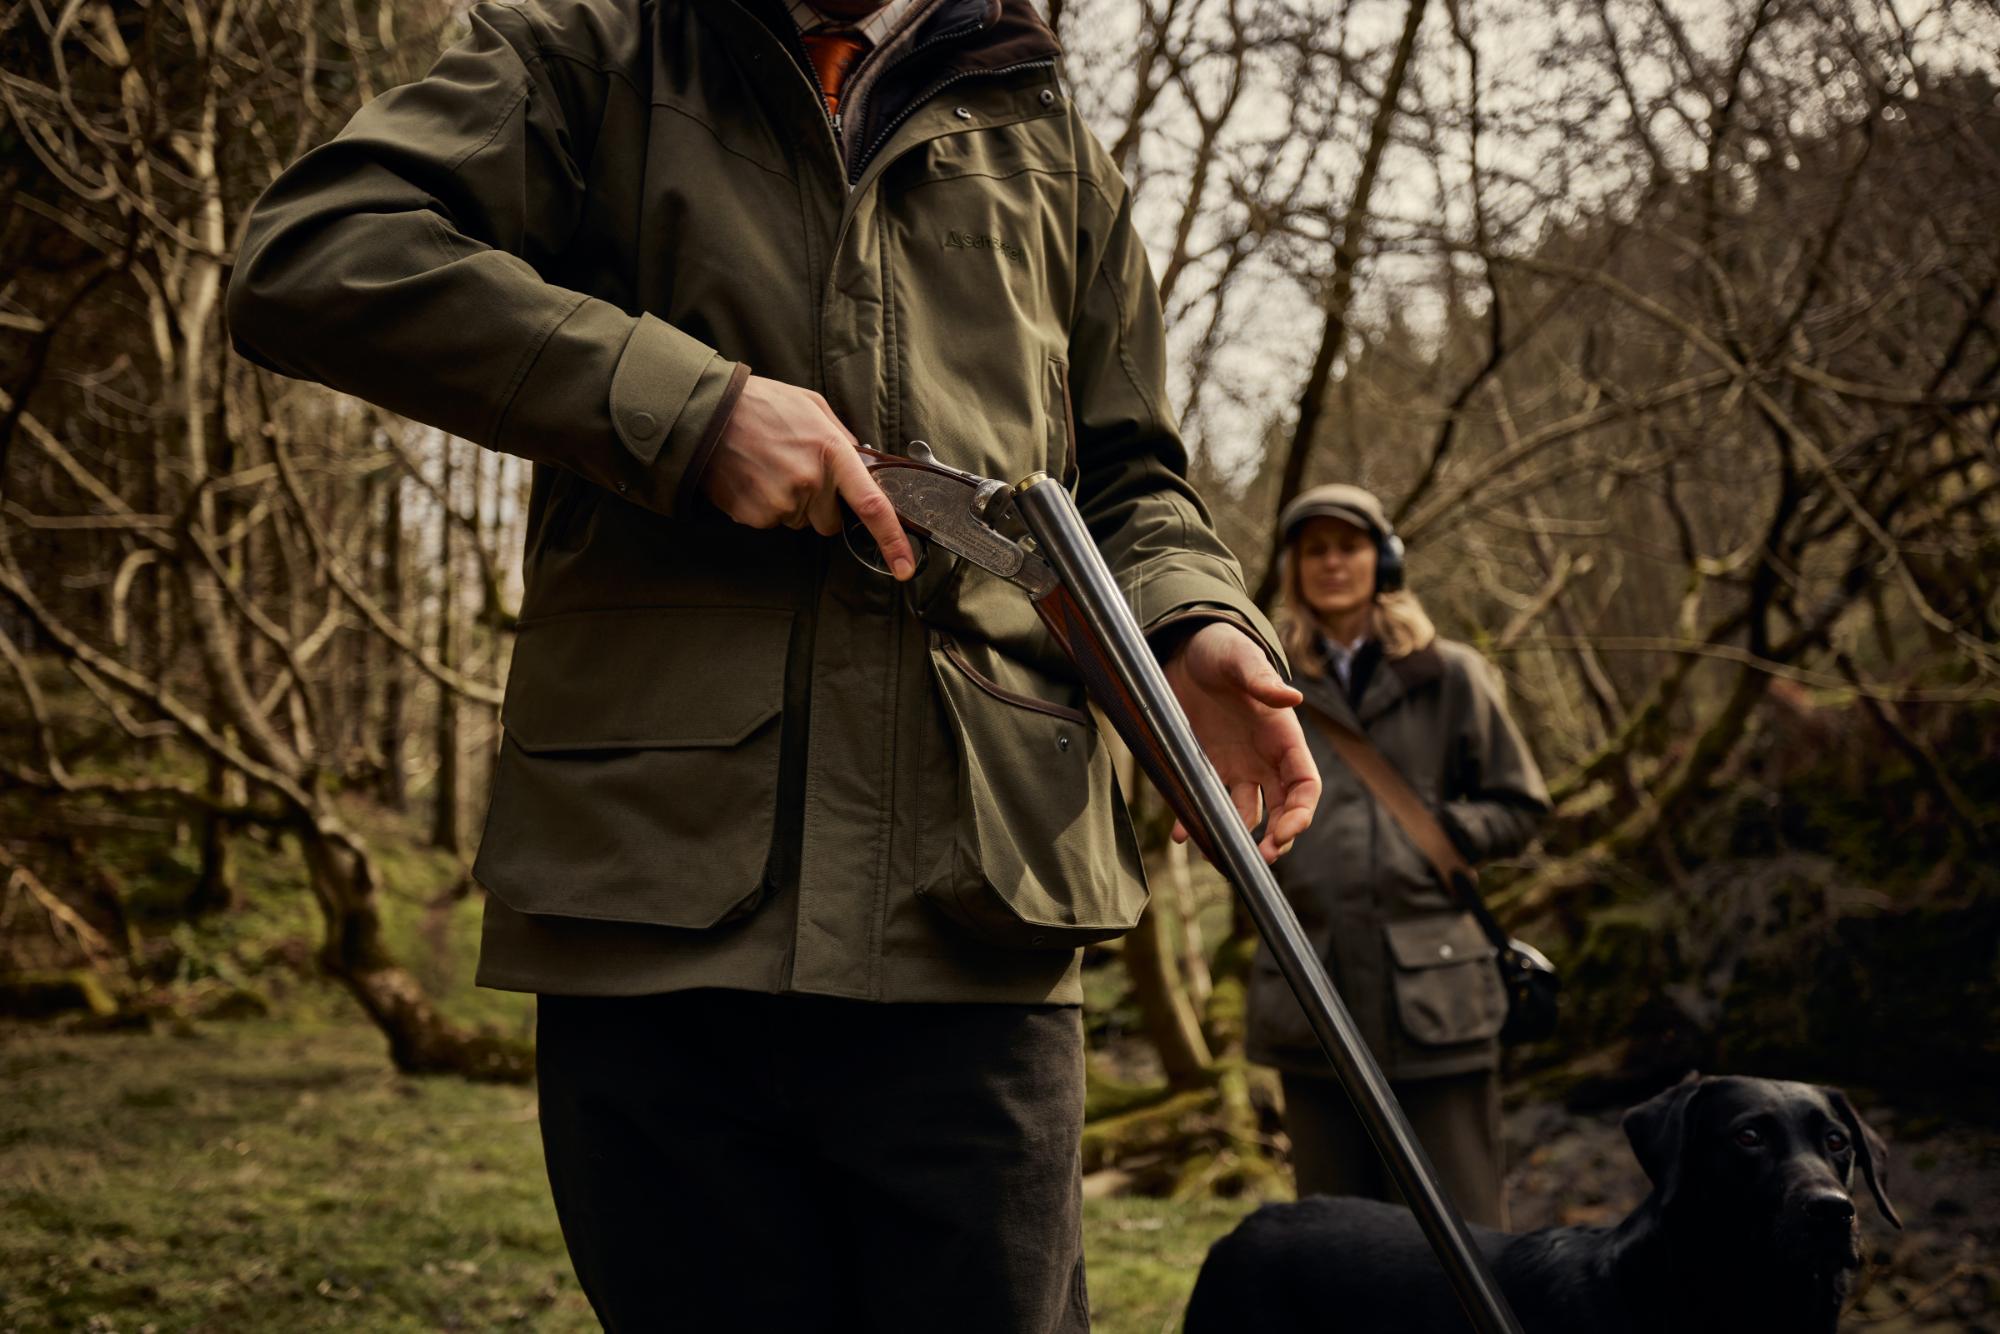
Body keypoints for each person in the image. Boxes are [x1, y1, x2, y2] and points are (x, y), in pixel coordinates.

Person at [225, 1, 1322, 1329]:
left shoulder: (1050, 146)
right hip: (653, 912)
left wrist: (1190, 625)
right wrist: (689, 412)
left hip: (979, 917)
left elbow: (1133, 482)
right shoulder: (586, 48)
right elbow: (312, 253)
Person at [1244, 484, 1549, 1230]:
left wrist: (1429, 840)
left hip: (1437, 999)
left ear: (1382, 559)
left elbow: (1521, 807)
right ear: (1294, 568)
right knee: (1338, 1241)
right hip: (1311, 989)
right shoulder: (1263, 677)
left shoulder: (1452, 674)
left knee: (1461, 1236)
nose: (1331, 563)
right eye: (1313, 550)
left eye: (1346, 546)